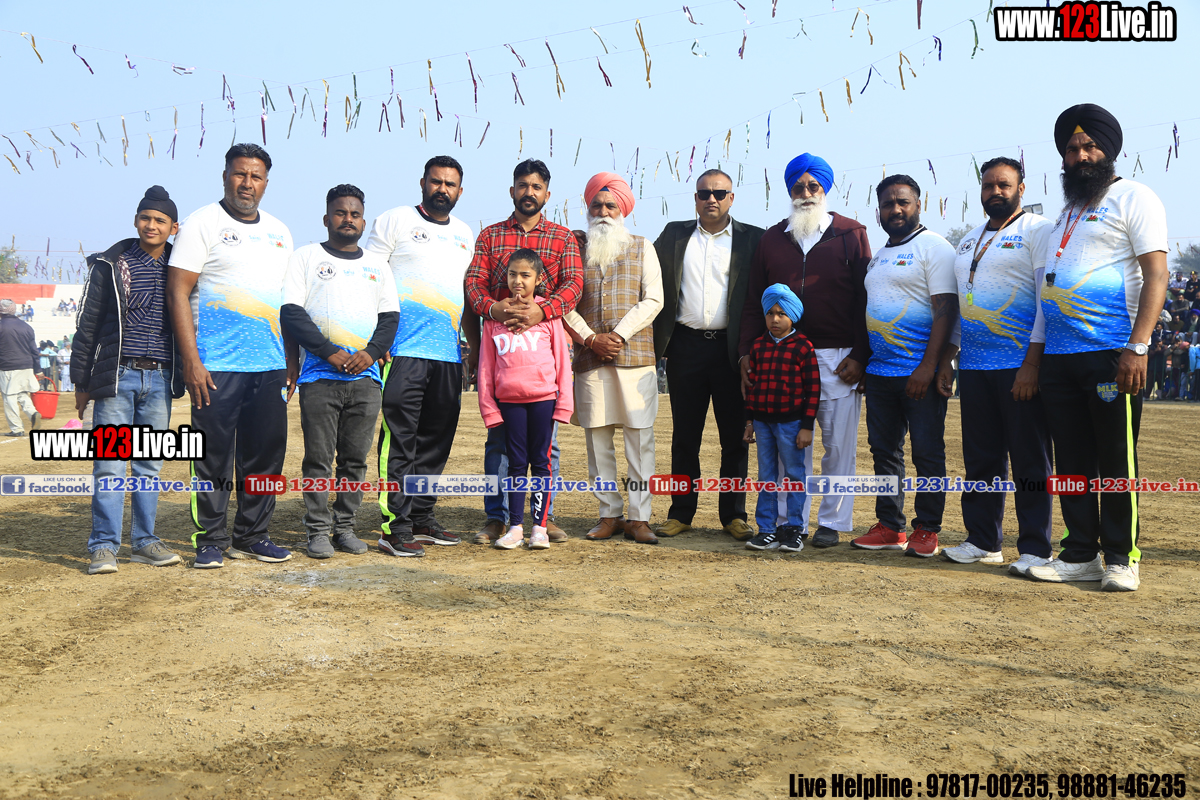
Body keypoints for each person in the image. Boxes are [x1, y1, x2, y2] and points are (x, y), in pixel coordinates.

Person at [1027, 103, 1168, 592]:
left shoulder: (1134, 197)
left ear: (1109, 151)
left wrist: (1138, 346)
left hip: (1111, 353)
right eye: (1071, 149)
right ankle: (1080, 554)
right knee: (1071, 461)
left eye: (1089, 146)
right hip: (1060, 359)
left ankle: (1122, 558)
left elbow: (1157, 274)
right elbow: (1047, 292)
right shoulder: (1064, 214)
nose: (1081, 155)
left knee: (1115, 458)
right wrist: (1037, 357)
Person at [166, 143, 298, 570]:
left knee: (266, 457)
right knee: (212, 457)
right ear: (225, 176)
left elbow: (285, 302)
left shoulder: (280, 232)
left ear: (266, 183)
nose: (247, 183)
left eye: (256, 176)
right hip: (216, 366)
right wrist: (191, 360)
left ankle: (253, 536)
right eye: (240, 174)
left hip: (270, 365)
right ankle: (210, 539)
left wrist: (291, 358)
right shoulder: (202, 224)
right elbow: (177, 292)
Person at [740, 153, 872, 548]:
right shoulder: (772, 239)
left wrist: (861, 355)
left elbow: (866, 299)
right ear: (789, 191)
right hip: (781, 358)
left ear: (825, 189)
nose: (806, 193)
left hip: (838, 357)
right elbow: (753, 301)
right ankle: (785, 523)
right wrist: (747, 352)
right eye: (798, 187)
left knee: (838, 446)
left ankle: (831, 522)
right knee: (787, 448)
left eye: (813, 186)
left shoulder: (851, 233)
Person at [938, 158, 1056, 576]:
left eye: (1004, 185)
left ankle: (1036, 548)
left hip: (1019, 366)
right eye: (988, 185)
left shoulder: (1039, 231)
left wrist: (1032, 364)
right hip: (974, 368)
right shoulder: (968, 241)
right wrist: (950, 358)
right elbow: (962, 303)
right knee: (981, 458)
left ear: (1021, 188)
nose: (995, 192)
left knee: (1029, 461)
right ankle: (983, 541)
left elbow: (1046, 300)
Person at [463, 159, 583, 544]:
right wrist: (494, 309)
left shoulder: (562, 238)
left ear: (547, 194)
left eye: (536, 186)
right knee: (499, 441)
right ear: (512, 190)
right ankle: (498, 518)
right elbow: (474, 284)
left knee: (546, 447)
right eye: (522, 185)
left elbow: (574, 285)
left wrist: (541, 311)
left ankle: (542, 520)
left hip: (541, 355)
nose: (529, 192)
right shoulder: (491, 236)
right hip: (502, 351)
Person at [71, 186, 188, 575]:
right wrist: (81, 382)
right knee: (110, 465)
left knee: (149, 466)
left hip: (161, 379)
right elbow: (88, 324)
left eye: (160, 220)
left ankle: (144, 542)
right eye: (145, 218)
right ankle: (103, 546)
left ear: (173, 227)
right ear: (136, 220)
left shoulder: (181, 267)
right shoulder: (110, 264)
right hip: (117, 377)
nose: (151, 225)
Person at [281, 184, 399, 560]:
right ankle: (317, 531)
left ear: (363, 221)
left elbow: (389, 318)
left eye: (355, 214)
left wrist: (371, 353)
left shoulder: (378, 266)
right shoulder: (306, 257)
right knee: (318, 459)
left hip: (366, 381)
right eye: (340, 212)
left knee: (354, 460)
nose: (348, 219)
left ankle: (344, 527)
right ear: (326, 218)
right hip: (320, 378)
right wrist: (329, 353)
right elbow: (292, 313)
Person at [365, 156, 475, 555]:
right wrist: (376, 341)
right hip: (402, 351)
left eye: (450, 184)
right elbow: (370, 278)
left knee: (435, 441)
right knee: (400, 440)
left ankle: (423, 516)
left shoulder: (464, 233)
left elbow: (468, 296)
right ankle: (394, 527)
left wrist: (473, 349)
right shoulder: (395, 220)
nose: (442, 189)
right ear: (423, 183)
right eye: (436, 181)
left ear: (460, 191)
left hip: (448, 355)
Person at [651, 169, 764, 540]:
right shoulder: (673, 235)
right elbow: (646, 274)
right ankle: (681, 512)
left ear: (732, 197)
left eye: (719, 193)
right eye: (704, 193)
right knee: (685, 436)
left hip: (733, 351)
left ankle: (733, 514)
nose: (711, 199)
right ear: (695, 198)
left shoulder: (753, 239)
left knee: (735, 438)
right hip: (685, 348)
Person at [851, 174, 958, 558]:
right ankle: (890, 526)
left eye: (903, 202)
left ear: (918, 204)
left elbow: (946, 311)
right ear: (878, 210)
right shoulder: (879, 256)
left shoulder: (935, 247)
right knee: (884, 452)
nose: (895, 210)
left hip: (919, 374)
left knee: (927, 453)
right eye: (887, 204)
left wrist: (929, 366)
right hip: (881, 374)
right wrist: (868, 365)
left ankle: (927, 529)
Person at [563, 173, 664, 545]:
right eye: (597, 205)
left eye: (611, 206)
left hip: (635, 358)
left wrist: (618, 335)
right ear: (587, 208)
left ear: (623, 210)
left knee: (640, 442)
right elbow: (562, 302)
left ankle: (639, 518)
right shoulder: (574, 249)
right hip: (590, 359)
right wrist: (591, 339)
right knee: (598, 442)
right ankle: (609, 514)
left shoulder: (642, 246)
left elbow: (654, 299)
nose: (603, 212)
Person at [478, 249, 574, 550]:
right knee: (516, 464)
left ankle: (540, 528)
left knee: (541, 462)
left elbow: (563, 361)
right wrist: (489, 409)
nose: (518, 281)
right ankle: (516, 527)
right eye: (512, 274)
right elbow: (485, 368)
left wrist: (564, 404)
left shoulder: (548, 315)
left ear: (538, 279)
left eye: (525, 275)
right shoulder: (495, 318)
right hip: (509, 403)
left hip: (544, 400)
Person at [741, 284, 820, 552]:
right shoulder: (758, 346)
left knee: (795, 475)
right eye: (770, 313)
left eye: (782, 313)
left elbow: (813, 390)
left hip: (791, 424)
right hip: (762, 424)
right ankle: (766, 530)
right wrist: (749, 422)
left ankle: (794, 529)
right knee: (766, 475)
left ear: (793, 316)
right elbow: (751, 387)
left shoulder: (803, 347)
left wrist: (807, 426)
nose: (775, 319)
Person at [0, 299, 40, 436]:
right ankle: (33, 413)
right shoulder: (26, 326)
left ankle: (16, 429)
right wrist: (38, 369)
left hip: (8, 367)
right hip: (27, 366)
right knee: (22, 394)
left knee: (9, 397)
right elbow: (34, 350)